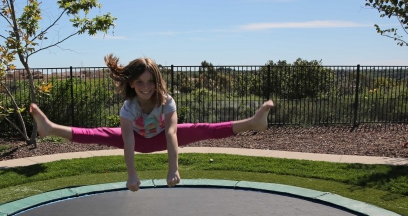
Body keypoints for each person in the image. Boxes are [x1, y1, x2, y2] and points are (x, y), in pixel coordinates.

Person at [29, 54, 274, 192]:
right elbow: (126, 139)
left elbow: (171, 134)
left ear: (157, 82)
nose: (145, 88)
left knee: (202, 129)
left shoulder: (167, 101)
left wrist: (173, 169)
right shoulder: (129, 107)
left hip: (161, 137)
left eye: (150, 82)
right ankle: (51, 128)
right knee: (99, 133)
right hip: (136, 140)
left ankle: (253, 123)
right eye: (140, 83)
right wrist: (132, 175)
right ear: (132, 84)